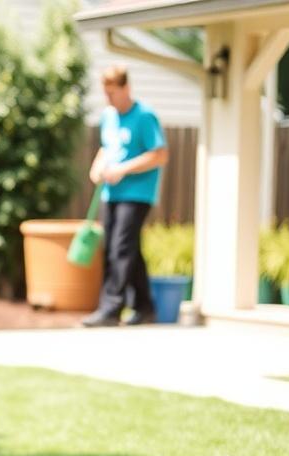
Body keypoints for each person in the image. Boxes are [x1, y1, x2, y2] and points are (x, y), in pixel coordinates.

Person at [82, 65, 169, 327]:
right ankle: (145, 308)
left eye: (112, 93)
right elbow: (107, 148)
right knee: (122, 248)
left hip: (137, 193)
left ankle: (111, 308)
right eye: (105, 93)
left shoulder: (144, 116)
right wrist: (97, 166)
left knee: (120, 248)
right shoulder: (109, 117)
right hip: (111, 193)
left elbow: (160, 155)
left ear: (126, 88)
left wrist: (123, 169)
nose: (108, 99)